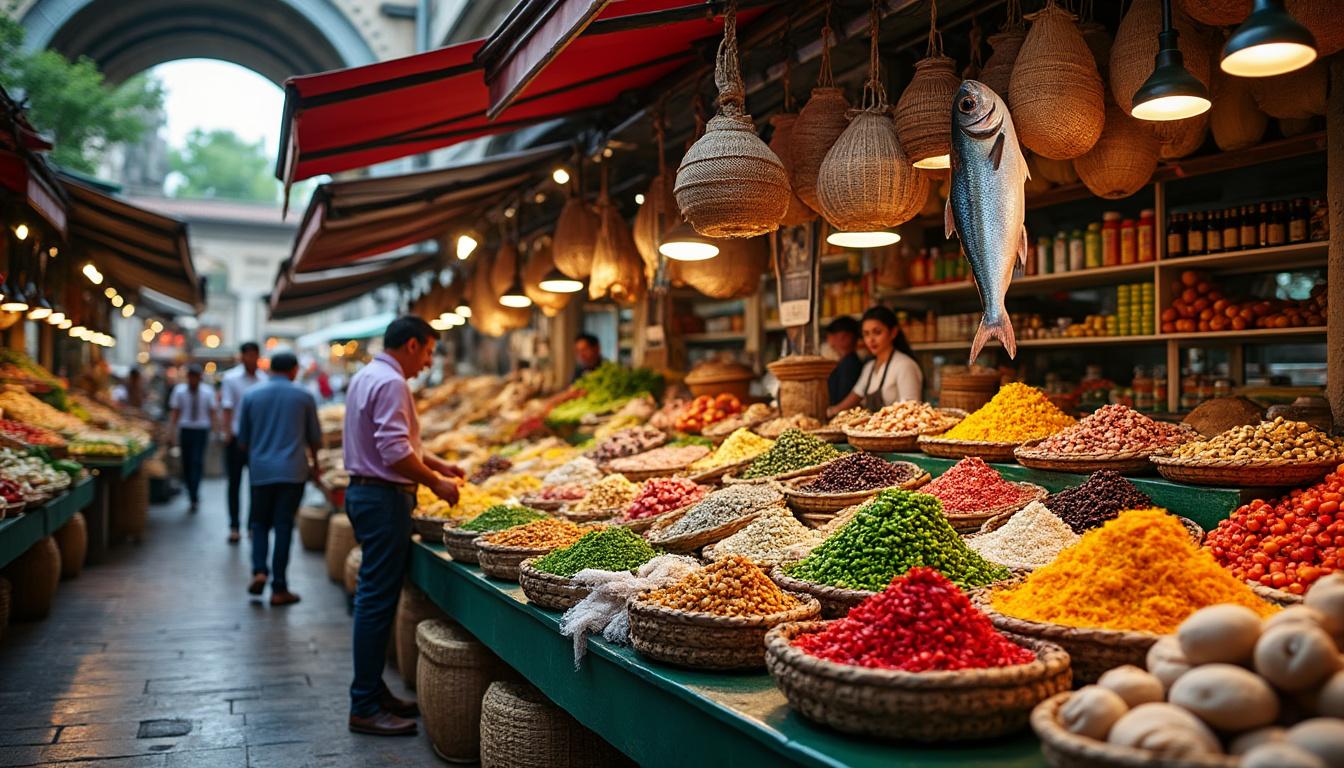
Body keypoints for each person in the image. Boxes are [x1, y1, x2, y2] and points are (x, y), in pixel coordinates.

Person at [343, 316, 463, 736]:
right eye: (428, 351)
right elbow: (393, 451)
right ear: (412, 345)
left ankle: (374, 692)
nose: (429, 362)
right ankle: (364, 704)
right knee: (375, 601)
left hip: (366, 495)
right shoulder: (393, 383)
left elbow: (395, 443)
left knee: (375, 598)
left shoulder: (367, 375)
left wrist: (435, 462)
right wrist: (437, 482)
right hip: (383, 499)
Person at [236, 351, 320, 607]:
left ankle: (259, 570)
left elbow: (242, 439)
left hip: (261, 471)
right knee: (283, 526)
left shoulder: (251, 395)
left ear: (270, 369)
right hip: (293, 472)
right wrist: (315, 466)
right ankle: (279, 588)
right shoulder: (304, 396)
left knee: (259, 523)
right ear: (294, 370)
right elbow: (314, 438)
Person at [827, 306, 923, 416]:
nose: (871, 340)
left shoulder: (904, 365)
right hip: (873, 430)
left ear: (893, 332)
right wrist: (831, 411)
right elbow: (855, 396)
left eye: (877, 332)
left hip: (899, 430)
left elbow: (912, 410)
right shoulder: (869, 367)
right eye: (866, 334)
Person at [219, 342, 263, 544]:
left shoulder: (264, 379)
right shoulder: (231, 378)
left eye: (255, 355)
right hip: (236, 438)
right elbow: (227, 407)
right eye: (249, 355)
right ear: (242, 356)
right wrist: (226, 433)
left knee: (256, 485)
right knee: (234, 483)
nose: (252, 359)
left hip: (258, 439)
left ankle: (253, 525)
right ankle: (234, 525)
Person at [167, 364, 217, 513]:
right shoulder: (180, 391)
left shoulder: (207, 392)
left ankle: (194, 493)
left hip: (201, 430)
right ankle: (191, 490)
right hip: (186, 429)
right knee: (187, 462)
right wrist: (172, 432)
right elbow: (175, 413)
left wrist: (216, 431)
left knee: (197, 461)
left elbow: (212, 412)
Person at [823, 316, 863, 407]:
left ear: (845, 336)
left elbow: (843, 397)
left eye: (832, 335)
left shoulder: (850, 364)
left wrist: (833, 411)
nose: (829, 340)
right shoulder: (845, 362)